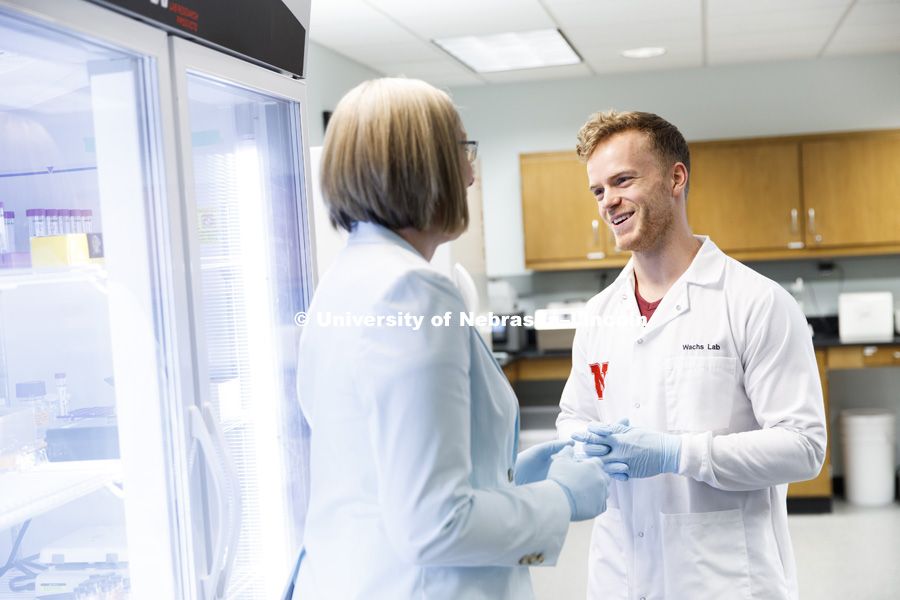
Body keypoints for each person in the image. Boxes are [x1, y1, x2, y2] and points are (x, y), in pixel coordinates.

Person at [293, 77, 611, 600]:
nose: (470, 174)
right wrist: (561, 498)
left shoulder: (346, 280)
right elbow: (435, 524)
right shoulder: (412, 291)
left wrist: (500, 477)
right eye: (463, 151)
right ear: (422, 166)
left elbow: (379, 464)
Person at [557, 110, 827, 600]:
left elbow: (804, 448)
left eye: (622, 181)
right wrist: (581, 446)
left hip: (720, 577)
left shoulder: (756, 302)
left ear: (675, 178)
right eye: (598, 190)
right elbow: (574, 415)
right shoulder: (599, 314)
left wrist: (675, 453)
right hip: (620, 574)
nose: (608, 202)